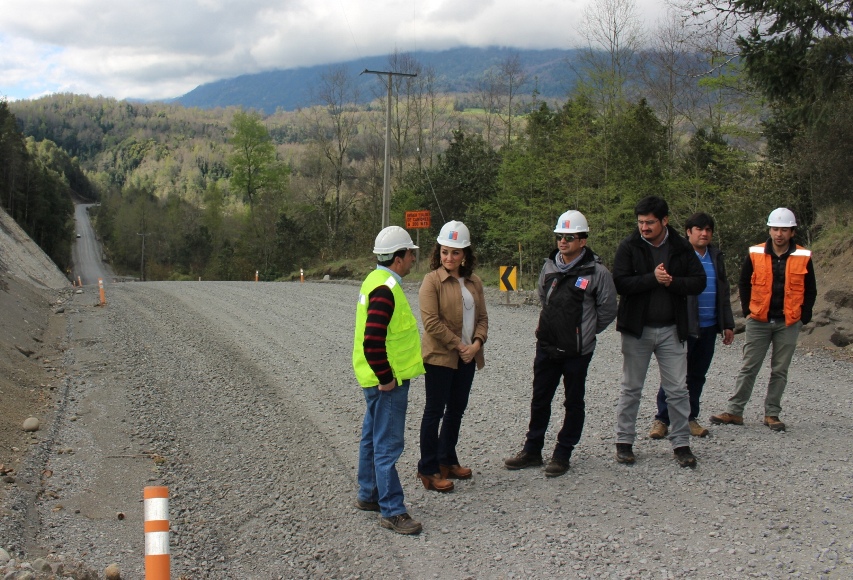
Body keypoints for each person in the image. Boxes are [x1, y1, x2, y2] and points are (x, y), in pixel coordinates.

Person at [504, 210, 617, 477]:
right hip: (547, 346)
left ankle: (563, 453)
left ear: (582, 240)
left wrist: (586, 333)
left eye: (569, 237)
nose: (562, 242)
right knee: (540, 398)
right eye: (559, 236)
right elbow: (544, 299)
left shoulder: (597, 272)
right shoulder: (550, 267)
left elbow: (608, 310)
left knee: (573, 401)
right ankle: (532, 451)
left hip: (577, 352)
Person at [612, 196, 706, 468]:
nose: (644, 227)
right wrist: (651, 279)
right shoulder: (629, 246)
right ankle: (624, 442)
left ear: (664, 220)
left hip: (672, 330)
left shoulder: (680, 247)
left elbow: (698, 281)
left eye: (650, 222)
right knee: (631, 387)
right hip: (636, 330)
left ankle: (681, 443)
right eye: (640, 222)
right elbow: (620, 282)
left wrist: (672, 282)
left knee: (677, 389)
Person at [710, 208, 816, 431]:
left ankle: (772, 414)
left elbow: (810, 289)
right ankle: (735, 411)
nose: (779, 234)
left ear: (792, 232)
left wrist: (803, 316)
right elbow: (744, 282)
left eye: (784, 230)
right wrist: (749, 310)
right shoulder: (755, 253)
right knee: (749, 366)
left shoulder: (803, 256)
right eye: (775, 229)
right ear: (769, 229)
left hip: (788, 322)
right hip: (758, 320)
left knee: (780, 369)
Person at [352, 225, 425, 535]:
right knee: (388, 444)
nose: (412, 259)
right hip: (387, 382)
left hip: (375, 379)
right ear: (398, 257)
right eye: (410, 254)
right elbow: (372, 341)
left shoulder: (376, 280)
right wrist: (386, 378)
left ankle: (368, 494)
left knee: (371, 436)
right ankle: (392, 510)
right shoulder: (386, 289)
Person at [649, 212, 735, 440]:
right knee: (675, 375)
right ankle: (663, 419)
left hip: (709, 326)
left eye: (708, 230)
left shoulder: (716, 256)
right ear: (689, 232)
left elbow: (723, 292)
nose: (704, 233)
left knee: (697, 375)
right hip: (683, 326)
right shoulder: (677, 255)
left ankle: (689, 417)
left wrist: (727, 323)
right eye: (699, 229)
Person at [417, 220, 489, 492]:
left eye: (456, 252)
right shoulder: (431, 281)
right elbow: (431, 323)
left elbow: (482, 318)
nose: (449, 257)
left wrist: (476, 345)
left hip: (468, 357)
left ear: (465, 255)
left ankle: (448, 459)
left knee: (456, 410)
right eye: (445, 252)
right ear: (439, 252)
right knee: (434, 412)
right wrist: (460, 346)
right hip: (440, 358)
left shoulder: (474, 282)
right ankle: (428, 468)